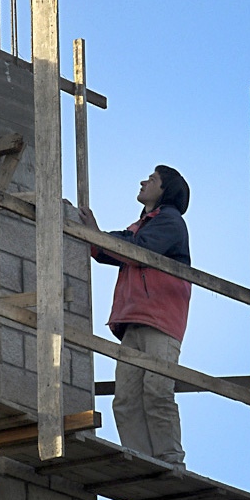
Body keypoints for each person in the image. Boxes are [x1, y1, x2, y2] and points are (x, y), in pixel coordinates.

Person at [78, 165, 191, 468]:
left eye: (152, 179)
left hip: (159, 320)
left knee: (157, 392)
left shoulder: (169, 221)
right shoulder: (143, 224)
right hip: (134, 321)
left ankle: (170, 460)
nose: (144, 181)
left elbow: (137, 250)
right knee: (126, 398)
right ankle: (141, 460)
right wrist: (94, 235)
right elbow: (111, 250)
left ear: (165, 190)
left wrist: (97, 236)